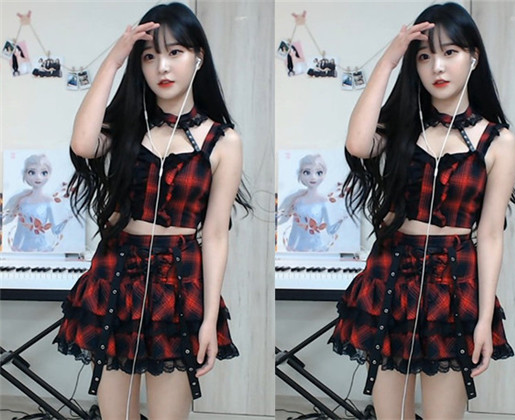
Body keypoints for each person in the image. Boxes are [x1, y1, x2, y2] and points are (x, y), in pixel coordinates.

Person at [328, 3, 515, 419]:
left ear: (473, 56)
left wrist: (483, 318)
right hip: (392, 274)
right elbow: (358, 144)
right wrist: (388, 60)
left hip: (453, 283)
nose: (437, 66)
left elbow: (491, 234)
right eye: (424, 56)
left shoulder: (498, 141)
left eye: (450, 52)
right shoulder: (403, 126)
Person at [53, 3, 250, 420]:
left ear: (198, 57)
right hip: (116, 275)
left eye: (175, 52)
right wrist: (113, 60)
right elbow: (83, 144)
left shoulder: (223, 141)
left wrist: (208, 319)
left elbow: (216, 234)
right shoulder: (127, 126)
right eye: (149, 56)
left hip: (178, 282)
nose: (162, 66)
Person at [3, 154, 70, 252]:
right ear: (25, 174)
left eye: (44, 173)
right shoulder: (23, 201)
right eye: (32, 172)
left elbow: (55, 230)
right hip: (24, 249)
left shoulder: (49, 201)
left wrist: (66, 220)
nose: (38, 177)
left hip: (42, 249)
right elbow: (20, 229)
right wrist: (15, 246)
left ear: (49, 174)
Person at [278, 154, 344, 252]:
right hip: (297, 249)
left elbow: (330, 230)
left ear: (324, 174)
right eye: (307, 172)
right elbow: (295, 229)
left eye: (319, 173)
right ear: (300, 174)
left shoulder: (324, 201)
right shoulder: (297, 201)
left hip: (317, 249)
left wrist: (341, 220)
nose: (313, 177)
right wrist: (290, 247)